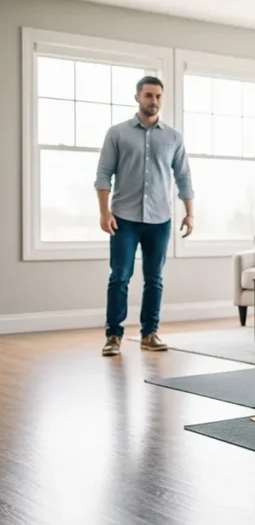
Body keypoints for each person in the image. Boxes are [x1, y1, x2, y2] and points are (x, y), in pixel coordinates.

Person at [95, 76, 194, 356]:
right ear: (137, 97)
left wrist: (190, 214)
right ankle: (113, 336)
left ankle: (150, 334)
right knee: (120, 277)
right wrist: (104, 213)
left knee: (155, 278)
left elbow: (184, 176)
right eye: (148, 95)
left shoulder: (173, 137)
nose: (154, 101)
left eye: (158, 96)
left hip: (159, 219)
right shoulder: (118, 133)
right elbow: (103, 175)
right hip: (123, 218)